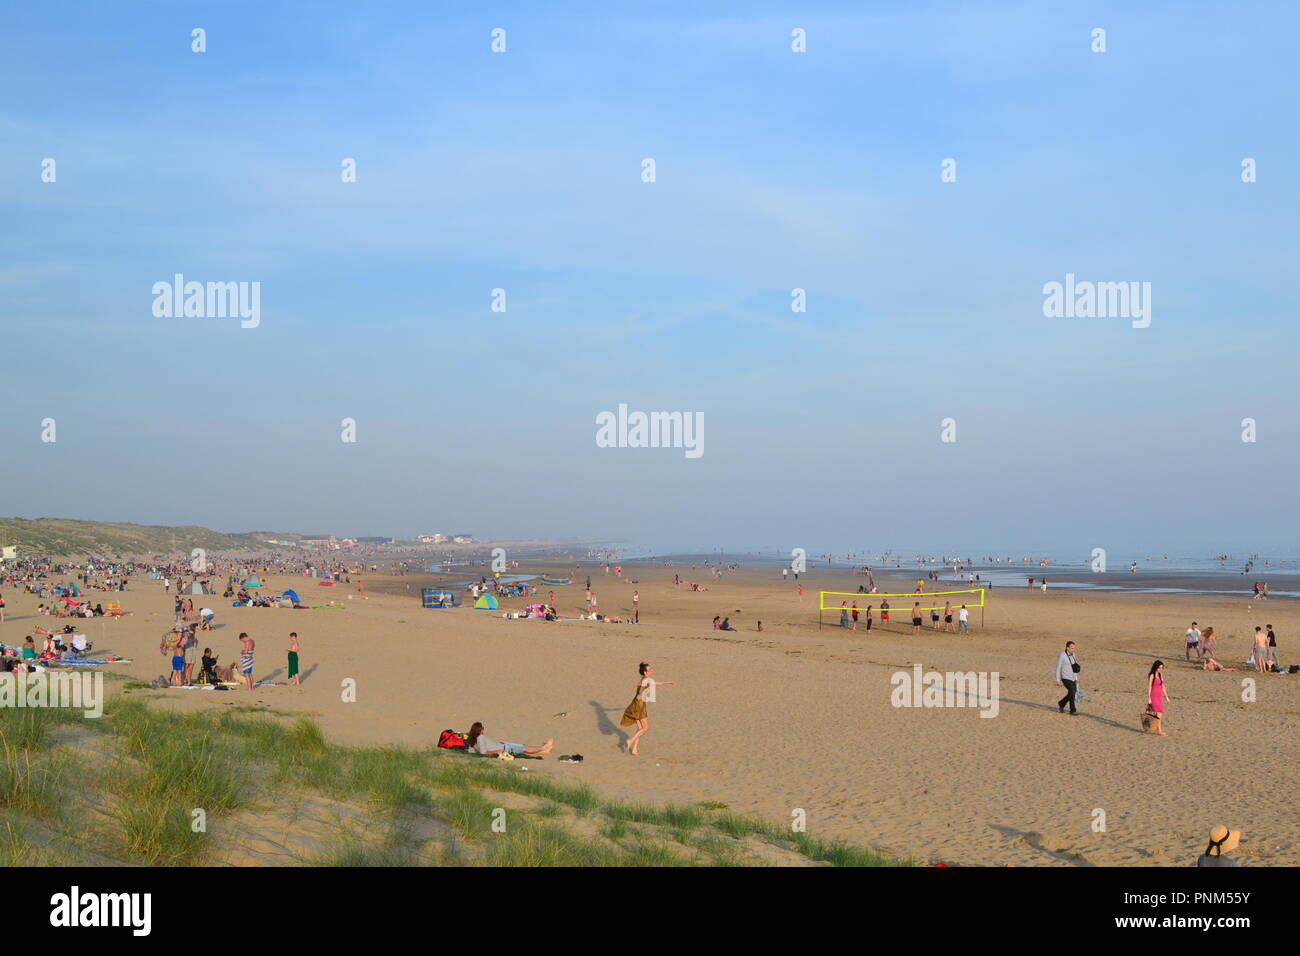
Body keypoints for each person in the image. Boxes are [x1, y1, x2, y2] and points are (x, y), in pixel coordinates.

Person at [619, 661, 676, 756]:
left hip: (635, 704)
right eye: (649, 670)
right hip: (639, 705)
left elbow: (655, 683)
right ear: (645, 672)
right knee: (646, 728)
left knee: (640, 728)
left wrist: (667, 682)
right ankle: (631, 740)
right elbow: (642, 688)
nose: (651, 671)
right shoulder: (646, 680)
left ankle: (634, 749)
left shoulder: (645, 679)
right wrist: (640, 694)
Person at [465, 722, 553, 757]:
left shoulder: (472, 737)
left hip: (502, 745)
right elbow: (483, 752)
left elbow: (478, 750)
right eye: (482, 728)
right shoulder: (480, 737)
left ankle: (544, 751)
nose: (483, 729)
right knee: (525, 747)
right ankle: (543, 747)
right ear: (480, 729)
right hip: (504, 748)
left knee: (522, 749)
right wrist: (496, 752)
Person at [1055, 641, 1080, 715]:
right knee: (1072, 691)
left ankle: (1061, 703)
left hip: (1072, 677)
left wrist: (1076, 678)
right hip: (1065, 677)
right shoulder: (1062, 655)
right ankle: (1072, 710)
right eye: (1072, 648)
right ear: (1067, 648)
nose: (1073, 650)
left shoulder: (1073, 655)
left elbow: (1074, 667)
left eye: (1074, 648)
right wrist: (1058, 679)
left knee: (1072, 692)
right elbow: (1058, 667)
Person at [1147, 660, 1168, 736]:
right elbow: (1149, 687)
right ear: (1156, 667)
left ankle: (1157, 728)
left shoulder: (1160, 674)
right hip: (1154, 696)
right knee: (1159, 713)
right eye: (1159, 668)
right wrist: (1149, 698)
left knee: (1159, 713)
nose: (1161, 669)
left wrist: (1167, 697)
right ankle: (1159, 731)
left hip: (1159, 696)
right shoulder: (1152, 675)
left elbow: (1163, 686)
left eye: (1162, 668)